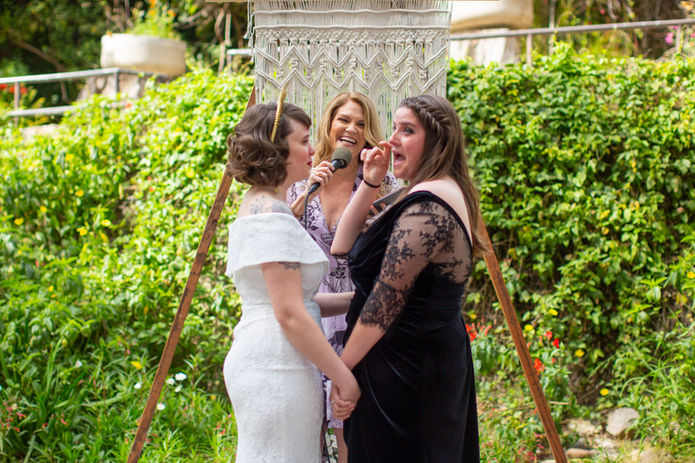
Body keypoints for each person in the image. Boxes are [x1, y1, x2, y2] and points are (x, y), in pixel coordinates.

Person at [330, 94, 490, 462]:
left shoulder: (428, 205)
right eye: (394, 128)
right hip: (407, 364)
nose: (392, 140)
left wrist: (342, 370)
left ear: (437, 140)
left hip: (408, 372)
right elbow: (342, 245)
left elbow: (385, 303)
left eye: (407, 130)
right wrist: (370, 181)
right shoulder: (419, 192)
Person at [223, 101, 360, 463]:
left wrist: (359, 299)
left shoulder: (261, 204)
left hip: (272, 356)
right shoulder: (271, 215)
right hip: (278, 367)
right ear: (276, 150)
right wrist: (343, 377)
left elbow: (300, 302)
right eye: (303, 141)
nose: (313, 150)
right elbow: (290, 314)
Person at [286, 91, 398, 463]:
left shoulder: (383, 185)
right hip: (311, 314)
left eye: (361, 124)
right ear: (329, 125)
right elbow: (278, 237)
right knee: (307, 425)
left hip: (357, 315)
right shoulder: (302, 182)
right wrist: (307, 190)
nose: (352, 128)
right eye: (344, 120)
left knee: (349, 426)